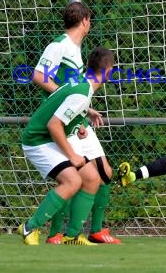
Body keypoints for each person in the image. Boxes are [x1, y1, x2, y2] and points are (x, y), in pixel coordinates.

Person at [31, 1, 120, 244]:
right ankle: (58, 233)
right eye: (89, 19)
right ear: (85, 21)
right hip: (61, 120)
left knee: (102, 173)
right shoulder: (59, 45)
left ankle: (92, 230)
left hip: (75, 117)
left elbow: (74, 91)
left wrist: (85, 108)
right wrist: (67, 99)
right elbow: (39, 76)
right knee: (76, 176)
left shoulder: (75, 48)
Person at [19, 47, 115, 246]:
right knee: (72, 181)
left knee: (92, 178)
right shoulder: (83, 92)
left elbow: (62, 107)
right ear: (108, 71)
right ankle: (30, 226)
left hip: (46, 138)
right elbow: (53, 125)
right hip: (38, 141)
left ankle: (71, 236)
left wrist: (78, 123)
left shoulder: (80, 83)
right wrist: (71, 155)